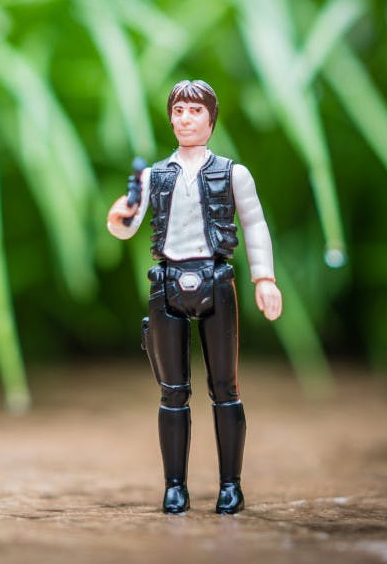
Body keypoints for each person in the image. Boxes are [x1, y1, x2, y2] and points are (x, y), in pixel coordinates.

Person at [106, 79, 283, 515]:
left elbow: (255, 223)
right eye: (179, 111)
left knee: (225, 388)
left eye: (195, 111)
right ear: (171, 119)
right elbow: (127, 225)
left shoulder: (233, 173)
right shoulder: (153, 176)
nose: (186, 119)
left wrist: (264, 278)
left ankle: (230, 485)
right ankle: (174, 487)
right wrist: (119, 215)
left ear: (211, 119)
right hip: (167, 282)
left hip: (215, 279)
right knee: (172, 392)